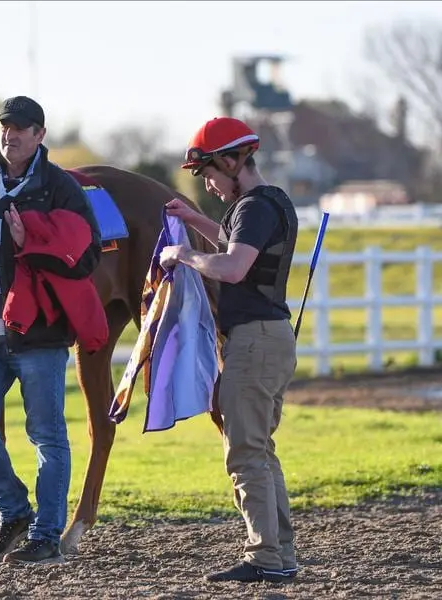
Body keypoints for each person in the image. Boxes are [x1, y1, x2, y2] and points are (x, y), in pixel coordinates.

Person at [0, 95, 102, 565]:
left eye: (21, 128)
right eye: (4, 126)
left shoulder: (60, 187)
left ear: (40, 135)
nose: (9, 134)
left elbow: (87, 255)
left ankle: (47, 535)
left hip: (40, 336)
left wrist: (30, 241)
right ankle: (14, 510)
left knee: (47, 436)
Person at [159, 117, 300, 583]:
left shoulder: (252, 209)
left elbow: (235, 267)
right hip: (272, 339)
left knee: (244, 454)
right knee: (262, 450)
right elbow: (237, 245)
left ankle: (265, 557)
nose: (210, 185)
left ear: (231, 160)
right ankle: (280, 553)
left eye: (209, 174)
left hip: (254, 343)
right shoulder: (269, 203)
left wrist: (183, 255)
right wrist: (194, 220)